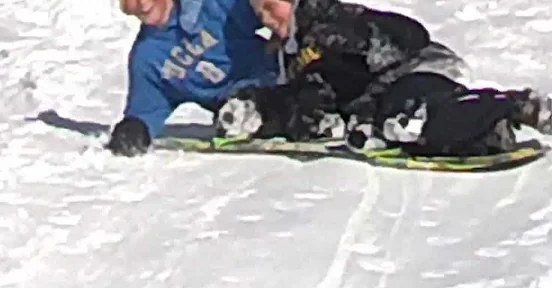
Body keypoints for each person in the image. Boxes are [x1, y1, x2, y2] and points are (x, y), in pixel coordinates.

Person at [215, 0, 552, 157]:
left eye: (271, 6)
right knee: (403, 126)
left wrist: (366, 43)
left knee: (406, 114)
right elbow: (307, 95)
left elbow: (410, 35)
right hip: (382, 103)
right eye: (260, 13)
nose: (268, 18)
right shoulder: (290, 54)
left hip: (421, 69)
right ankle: (488, 132)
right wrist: (258, 111)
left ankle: (520, 106)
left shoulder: (327, 17)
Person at [106, 0, 282, 156]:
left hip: (282, 77)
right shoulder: (147, 58)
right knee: (240, 114)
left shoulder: (213, 6)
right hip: (234, 107)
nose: (143, 4)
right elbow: (146, 109)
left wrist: (284, 37)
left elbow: (277, 10)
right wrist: (135, 129)